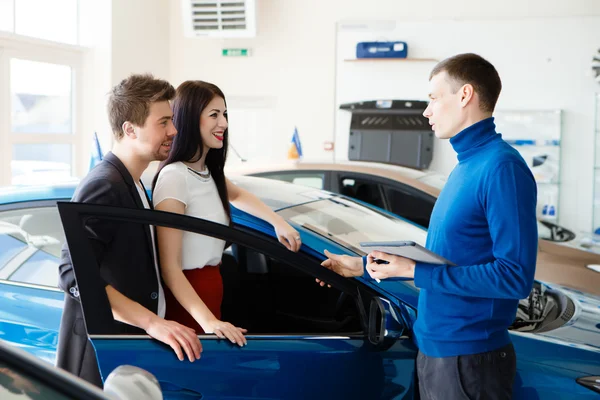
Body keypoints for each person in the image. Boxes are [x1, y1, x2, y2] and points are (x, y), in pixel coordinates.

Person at [321, 53, 537, 400]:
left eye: (434, 98)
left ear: (465, 95)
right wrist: (364, 266)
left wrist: (415, 271)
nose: (426, 110)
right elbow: (453, 255)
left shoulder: (501, 168)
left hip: (469, 359)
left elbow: (515, 277)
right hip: (438, 350)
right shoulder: (466, 165)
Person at [57, 74, 203, 388]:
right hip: (99, 359)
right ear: (130, 129)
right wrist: (153, 323)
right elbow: (73, 274)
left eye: (172, 120)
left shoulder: (132, 180)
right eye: (163, 122)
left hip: (125, 350)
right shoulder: (103, 186)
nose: (174, 131)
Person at [152, 80, 301, 347]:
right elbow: (169, 267)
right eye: (214, 115)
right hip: (187, 300)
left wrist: (278, 223)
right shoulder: (174, 177)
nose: (223, 123)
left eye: (225, 114)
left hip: (212, 290)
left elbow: (239, 195)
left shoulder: (208, 172)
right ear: (189, 118)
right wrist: (209, 322)